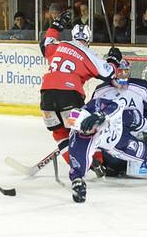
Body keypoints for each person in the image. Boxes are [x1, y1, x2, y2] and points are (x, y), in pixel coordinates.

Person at [39, 10, 122, 174]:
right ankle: (97, 161)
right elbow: (108, 73)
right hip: (69, 98)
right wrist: (114, 60)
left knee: (60, 133)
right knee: (85, 129)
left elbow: (45, 43)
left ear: (73, 36)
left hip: (46, 98)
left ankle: (74, 163)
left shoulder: (60, 45)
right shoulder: (88, 54)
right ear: (88, 40)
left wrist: (56, 26)